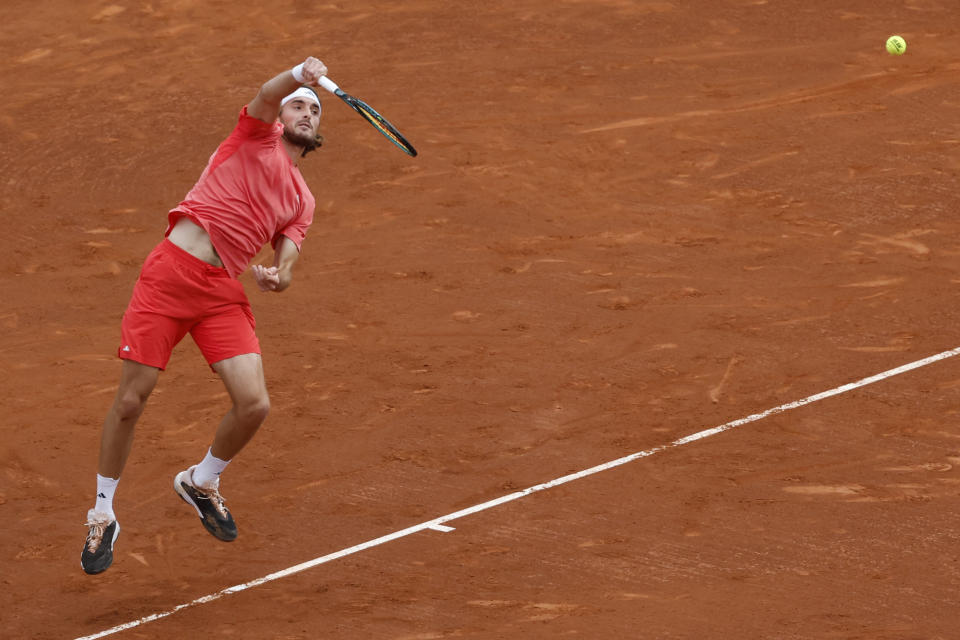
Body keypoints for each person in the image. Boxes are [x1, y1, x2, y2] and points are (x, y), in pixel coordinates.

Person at [81, 57, 329, 575]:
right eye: (299, 106)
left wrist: (278, 277)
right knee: (130, 400)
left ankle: (202, 480)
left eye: (314, 110)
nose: (307, 112)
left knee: (254, 405)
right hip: (171, 274)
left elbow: (288, 262)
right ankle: (102, 513)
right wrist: (298, 74)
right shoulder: (254, 137)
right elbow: (266, 92)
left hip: (221, 292)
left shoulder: (303, 199)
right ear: (281, 120)